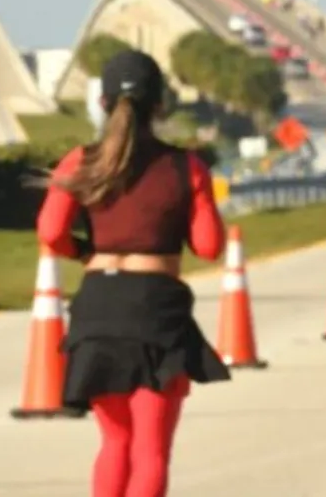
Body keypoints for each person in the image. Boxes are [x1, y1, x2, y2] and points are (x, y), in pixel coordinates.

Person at [36, 49, 231, 497]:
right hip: (155, 311)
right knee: (151, 451)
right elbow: (208, 246)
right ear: (160, 104)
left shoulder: (81, 161)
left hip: (98, 308)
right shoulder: (185, 167)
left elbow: (50, 231)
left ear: (102, 103)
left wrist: (86, 251)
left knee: (114, 442)